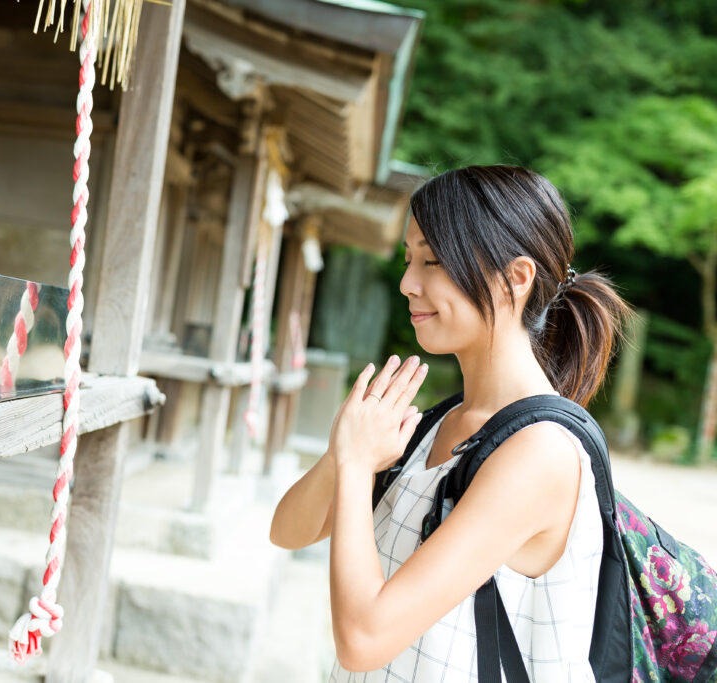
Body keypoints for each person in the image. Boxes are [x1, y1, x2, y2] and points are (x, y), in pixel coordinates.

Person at [269, 165, 635, 681]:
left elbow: (362, 639)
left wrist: (355, 465)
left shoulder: (540, 453)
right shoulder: (442, 422)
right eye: (408, 259)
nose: (406, 283)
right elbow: (288, 530)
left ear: (515, 278)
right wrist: (344, 453)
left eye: (432, 261)